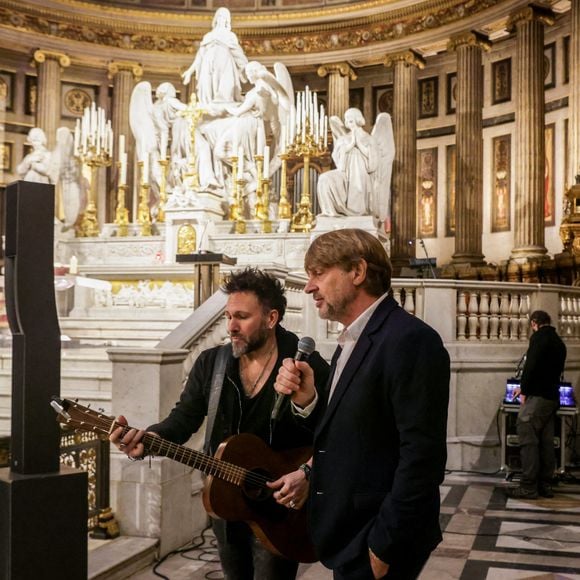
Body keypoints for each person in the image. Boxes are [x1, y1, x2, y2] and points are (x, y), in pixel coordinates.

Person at [110, 268, 330, 580]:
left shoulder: (304, 363)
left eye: (241, 316)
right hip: (225, 504)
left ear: (271, 318)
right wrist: (147, 438)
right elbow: (183, 420)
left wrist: (308, 473)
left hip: (283, 507)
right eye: (228, 316)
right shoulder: (212, 364)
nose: (231, 327)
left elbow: (333, 431)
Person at [273, 228, 450, 579]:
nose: (309, 287)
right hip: (349, 532)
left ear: (357, 271)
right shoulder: (352, 339)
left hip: (377, 538)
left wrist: (382, 548)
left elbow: (422, 459)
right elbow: (353, 434)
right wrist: (308, 400)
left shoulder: (410, 340)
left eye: (318, 274)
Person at [507, 310, 567, 500]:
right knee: (546, 442)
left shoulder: (539, 338)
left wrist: (523, 389)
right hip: (552, 398)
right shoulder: (559, 342)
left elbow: (531, 366)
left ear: (534, 323)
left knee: (527, 435)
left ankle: (528, 485)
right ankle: (545, 484)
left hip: (537, 397)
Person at [317, 109, 394, 221]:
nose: (348, 123)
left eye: (351, 120)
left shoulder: (369, 139)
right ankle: (330, 213)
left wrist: (360, 145)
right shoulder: (343, 139)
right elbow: (340, 164)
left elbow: (372, 165)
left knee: (357, 177)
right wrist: (350, 145)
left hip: (362, 176)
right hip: (344, 174)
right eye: (347, 120)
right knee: (324, 179)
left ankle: (356, 212)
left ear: (358, 120)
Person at [182, 7, 248, 104]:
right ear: (216, 18)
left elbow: (238, 54)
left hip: (225, 65)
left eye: (225, 17)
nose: (222, 19)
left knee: (225, 92)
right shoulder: (208, 36)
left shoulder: (230, 36)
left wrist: (246, 68)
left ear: (227, 20)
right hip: (208, 65)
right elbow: (200, 57)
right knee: (208, 91)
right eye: (220, 16)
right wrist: (189, 71)